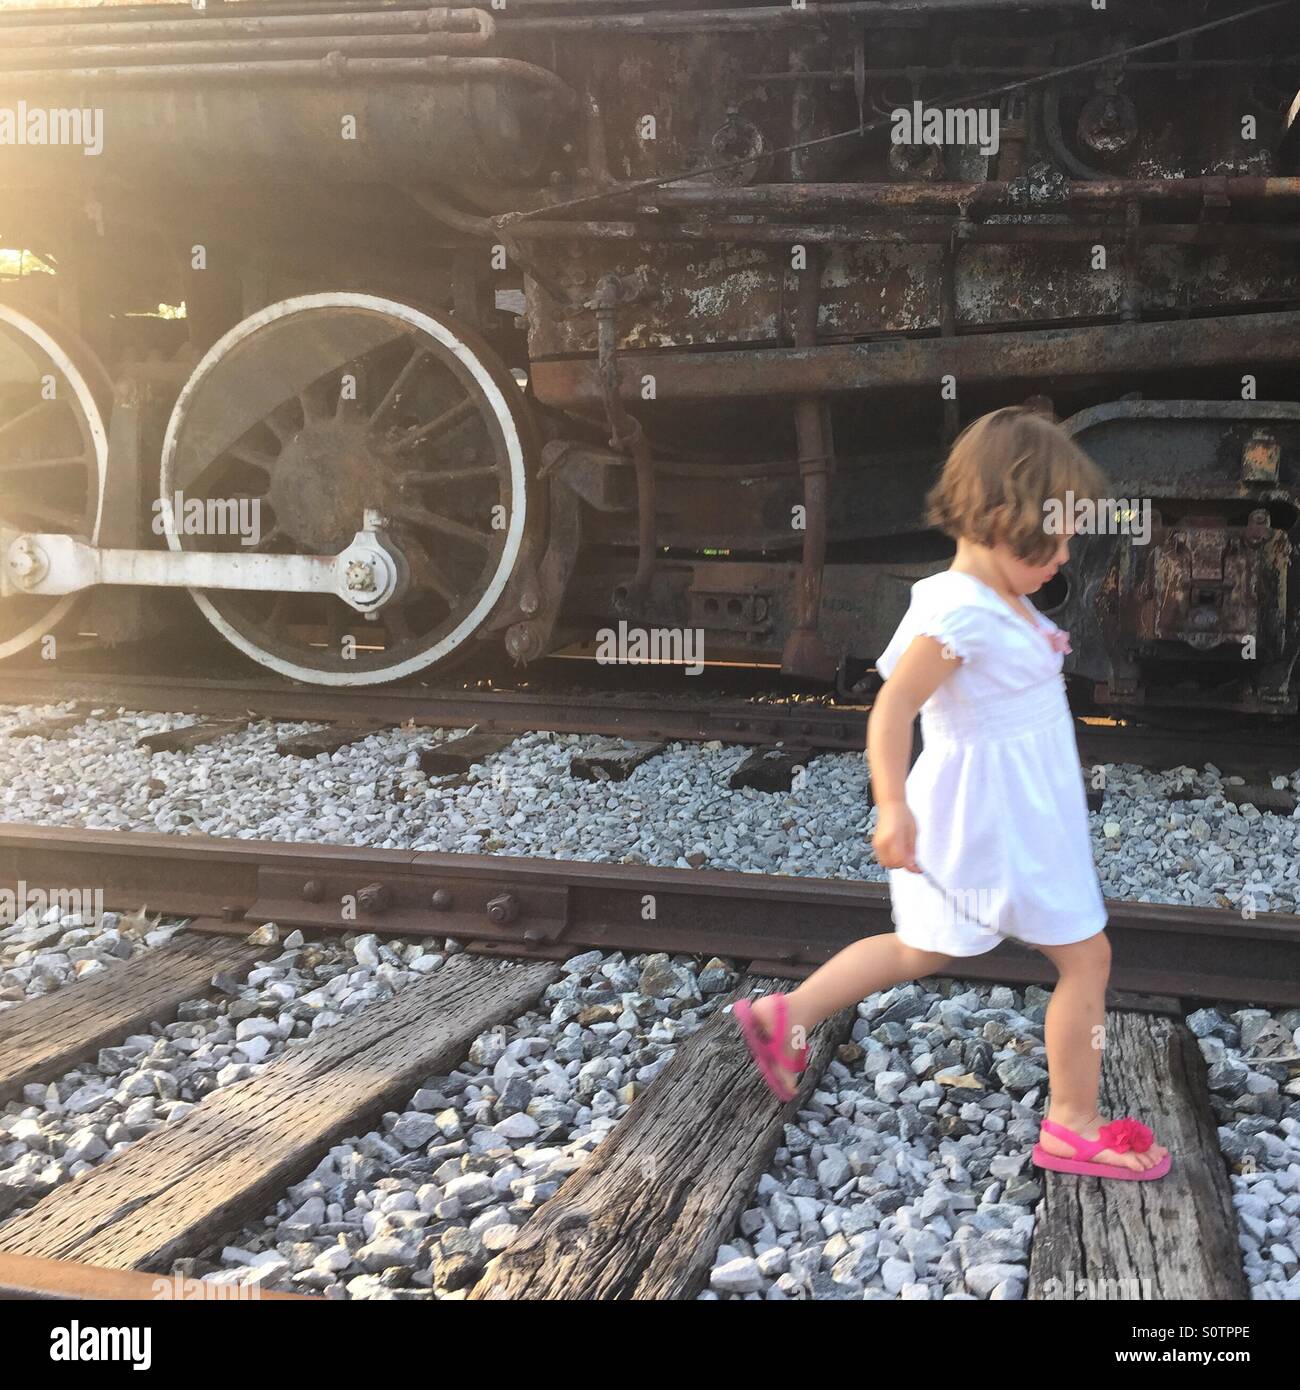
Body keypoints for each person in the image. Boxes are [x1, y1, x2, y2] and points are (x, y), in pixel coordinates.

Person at [734, 406, 1170, 1181]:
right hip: (991, 824)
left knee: (923, 950)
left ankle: (787, 1017)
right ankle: (1071, 1125)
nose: (1066, 554)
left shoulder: (999, 596)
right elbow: (894, 708)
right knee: (1084, 956)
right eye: (1056, 537)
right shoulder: (957, 610)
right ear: (1004, 519)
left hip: (1022, 818)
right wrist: (892, 804)